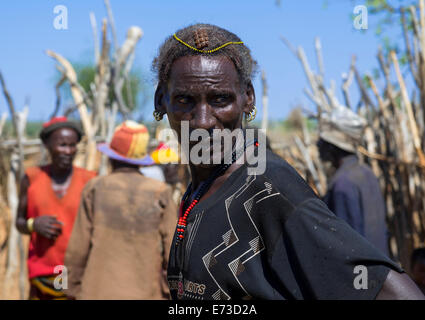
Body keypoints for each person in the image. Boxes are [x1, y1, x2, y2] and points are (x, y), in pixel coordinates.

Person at [152, 23, 425, 300]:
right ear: (161, 100)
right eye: (184, 100)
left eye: (220, 99)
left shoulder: (266, 186)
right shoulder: (202, 187)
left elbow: (394, 293)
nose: (203, 121)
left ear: (248, 98)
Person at [64, 121, 177, 299]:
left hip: (96, 292)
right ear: (140, 161)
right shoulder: (160, 191)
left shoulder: (94, 188)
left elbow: (77, 250)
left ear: (111, 157)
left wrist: (69, 288)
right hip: (146, 292)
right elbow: (173, 251)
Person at [16, 116, 96, 300]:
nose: (68, 151)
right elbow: (18, 222)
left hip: (78, 276)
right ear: (47, 145)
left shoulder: (90, 181)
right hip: (42, 277)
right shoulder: (31, 178)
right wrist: (33, 224)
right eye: (62, 145)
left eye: (72, 145)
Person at [317, 109, 390, 256]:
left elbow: (347, 245)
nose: (317, 144)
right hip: (379, 269)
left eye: (322, 141)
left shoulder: (343, 184)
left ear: (332, 146)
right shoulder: (366, 172)